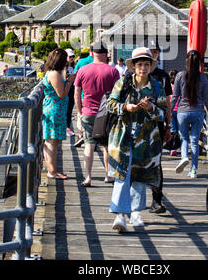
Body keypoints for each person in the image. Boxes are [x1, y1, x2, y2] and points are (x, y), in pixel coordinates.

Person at [107, 47, 167, 232]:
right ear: (133, 66)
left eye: (146, 64)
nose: (143, 68)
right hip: (123, 135)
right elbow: (110, 104)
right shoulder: (123, 83)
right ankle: (119, 215)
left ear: (151, 66)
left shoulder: (157, 87)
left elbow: (164, 114)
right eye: (139, 64)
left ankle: (135, 212)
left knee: (141, 175)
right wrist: (126, 108)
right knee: (121, 174)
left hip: (147, 138)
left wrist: (151, 109)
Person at [74, 41, 120, 186]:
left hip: (88, 111)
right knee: (107, 145)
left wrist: (79, 112)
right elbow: (118, 93)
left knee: (89, 145)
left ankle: (88, 177)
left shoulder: (83, 70)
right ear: (106, 55)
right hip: (106, 113)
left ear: (92, 54)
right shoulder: (113, 71)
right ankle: (108, 175)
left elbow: (76, 93)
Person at [171, 50, 208, 178]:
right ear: (200, 63)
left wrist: (168, 112)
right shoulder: (203, 78)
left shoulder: (180, 76)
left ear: (186, 61)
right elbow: (207, 99)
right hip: (198, 112)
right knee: (194, 141)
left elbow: (175, 96)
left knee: (184, 138)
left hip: (182, 112)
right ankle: (194, 170)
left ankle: (184, 157)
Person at [42, 48, 75, 179]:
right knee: (52, 142)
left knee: (50, 141)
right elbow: (61, 94)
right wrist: (70, 81)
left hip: (54, 110)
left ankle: (52, 170)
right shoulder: (54, 74)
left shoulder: (50, 72)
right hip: (55, 110)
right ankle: (52, 171)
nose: (67, 63)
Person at [147, 41, 172, 214]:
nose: (153, 54)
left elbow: (168, 102)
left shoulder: (162, 76)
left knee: (156, 161)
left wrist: (169, 125)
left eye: (155, 52)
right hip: (135, 124)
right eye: (150, 51)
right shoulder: (129, 75)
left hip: (157, 122)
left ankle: (157, 199)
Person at [65, 49, 76, 137]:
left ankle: (67, 127)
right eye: (70, 56)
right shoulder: (63, 68)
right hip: (66, 89)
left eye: (73, 56)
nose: (72, 58)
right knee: (66, 110)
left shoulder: (72, 67)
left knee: (70, 110)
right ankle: (66, 128)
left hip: (72, 89)